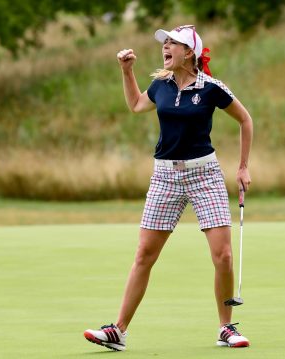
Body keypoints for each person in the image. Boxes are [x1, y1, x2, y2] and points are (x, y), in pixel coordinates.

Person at [84, 25, 253, 351]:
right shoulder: (160, 85)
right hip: (164, 177)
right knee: (144, 254)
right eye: (165, 43)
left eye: (173, 43)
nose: (166, 48)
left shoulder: (212, 88)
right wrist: (127, 71)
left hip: (205, 176)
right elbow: (135, 105)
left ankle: (226, 327)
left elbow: (245, 119)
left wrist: (243, 166)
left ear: (189, 52)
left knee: (224, 256)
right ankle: (118, 330)